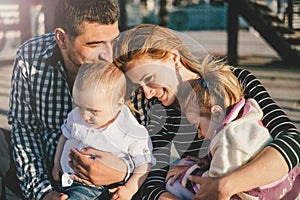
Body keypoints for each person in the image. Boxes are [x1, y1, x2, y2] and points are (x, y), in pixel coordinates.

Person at [112, 24, 300, 200]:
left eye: (149, 78)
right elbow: (152, 178)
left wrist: (224, 186)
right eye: (139, 84)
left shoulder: (231, 82)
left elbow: (292, 140)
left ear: (173, 57)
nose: (146, 92)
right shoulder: (159, 111)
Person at [7, 1, 135, 199]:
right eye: (95, 45)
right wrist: (42, 192)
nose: (108, 55)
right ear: (62, 38)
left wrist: (123, 171)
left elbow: (148, 138)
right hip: (48, 169)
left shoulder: (126, 61)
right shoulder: (30, 56)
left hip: (110, 181)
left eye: (113, 42)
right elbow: (24, 128)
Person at [164, 56, 300, 200]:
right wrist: (209, 161)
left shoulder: (227, 139)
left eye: (198, 127)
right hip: (290, 184)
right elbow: (240, 159)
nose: (200, 135)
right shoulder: (249, 115)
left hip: (262, 195)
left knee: (174, 185)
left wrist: (189, 173)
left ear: (216, 113)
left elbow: (212, 185)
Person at [52, 60, 155, 200]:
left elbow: (143, 163)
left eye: (93, 111)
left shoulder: (130, 130)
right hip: (67, 177)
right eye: (79, 105)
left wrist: (129, 189)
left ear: (117, 105)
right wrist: (56, 163)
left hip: (99, 186)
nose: (84, 115)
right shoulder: (77, 116)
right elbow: (64, 136)